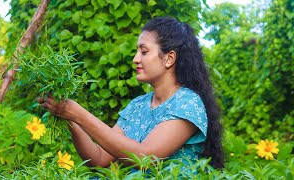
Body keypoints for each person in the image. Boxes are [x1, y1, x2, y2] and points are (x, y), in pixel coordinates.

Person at [38, 16, 224, 169]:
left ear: (169, 58)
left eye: (144, 51)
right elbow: (100, 158)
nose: (135, 59)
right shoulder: (137, 106)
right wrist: (69, 116)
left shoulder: (187, 103)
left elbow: (147, 157)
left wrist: (78, 112)